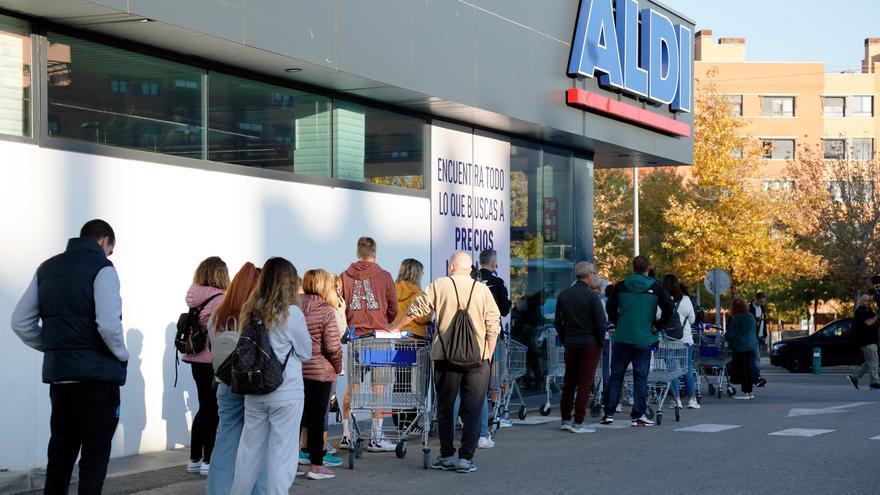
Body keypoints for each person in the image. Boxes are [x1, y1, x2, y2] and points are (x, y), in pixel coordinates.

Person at [11, 219, 128, 494]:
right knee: (93, 460)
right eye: (111, 249)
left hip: (61, 381)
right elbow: (109, 324)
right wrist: (122, 355)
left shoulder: (46, 268)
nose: (110, 254)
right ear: (104, 241)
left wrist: (55, 347)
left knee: (60, 457)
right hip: (97, 380)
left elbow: (20, 322)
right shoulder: (103, 268)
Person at [390, 252, 500, 473]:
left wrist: (394, 328)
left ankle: (447, 455)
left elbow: (416, 309)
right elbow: (493, 323)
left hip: (444, 356)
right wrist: (488, 352)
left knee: (446, 407)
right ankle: (465, 459)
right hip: (477, 359)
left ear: (451, 267)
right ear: (470, 269)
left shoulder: (439, 285)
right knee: (472, 409)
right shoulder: (482, 290)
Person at [231, 257, 312, 495]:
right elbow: (305, 352)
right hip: (285, 392)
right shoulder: (291, 313)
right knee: (282, 455)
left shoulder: (251, 310)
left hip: (254, 391)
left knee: (249, 453)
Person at [205, 262, 264, 495]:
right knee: (255, 444)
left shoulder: (218, 314)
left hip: (224, 382)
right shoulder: (256, 314)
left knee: (225, 439)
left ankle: (217, 491)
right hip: (250, 384)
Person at [338, 236, 398, 452]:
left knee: (352, 389)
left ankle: (346, 434)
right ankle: (376, 436)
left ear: (357, 253)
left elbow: (340, 306)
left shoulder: (344, 277)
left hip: (355, 338)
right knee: (378, 388)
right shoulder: (385, 276)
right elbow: (393, 309)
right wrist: (384, 318)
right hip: (378, 337)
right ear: (375, 253)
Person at [601, 256, 674, 427]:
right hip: (644, 338)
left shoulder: (620, 285)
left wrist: (618, 322)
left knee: (616, 375)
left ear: (633, 268)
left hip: (622, 337)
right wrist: (658, 325)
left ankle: (608, 413)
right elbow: (669, 307)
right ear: (648, 268)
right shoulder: (656, 287)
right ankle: (638, 416)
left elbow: (610, 307)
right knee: (640, 377)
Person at [183, 256, 229, 476]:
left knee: (203, 407)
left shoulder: (194, 295)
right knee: (214, 410)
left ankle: (194, 458)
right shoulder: (220, 298)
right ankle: (208, 460)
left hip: (194, 358)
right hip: (212, 359)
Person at [298, 269, 345, 480]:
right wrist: (337, 366)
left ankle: (293, 462)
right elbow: (333, 347)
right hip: (319, 372)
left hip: (296, 371)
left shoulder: (294, 307)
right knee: (317, 419)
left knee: (297, 419)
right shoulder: (326, 310)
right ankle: (317, 465)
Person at [555, 262, 606, 433]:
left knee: (569, 381)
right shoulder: (593, 297)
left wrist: (565, 339)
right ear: (589, 275)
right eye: (595, 273)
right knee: (585, 383)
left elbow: (558, 322)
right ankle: (579, 420)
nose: (596, 276)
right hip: (590, 344)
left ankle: (565, 418)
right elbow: (600, 323)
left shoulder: (564, 295)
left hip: (571, 343)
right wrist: (600, 343)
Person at [477, 249, 512, 433]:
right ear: (493, 264)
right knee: (495, 377)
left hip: (474, 337)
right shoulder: (497, 283)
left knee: (475, 377)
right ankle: (495, 414)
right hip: (493, 336)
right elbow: (504, 310)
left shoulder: (473, 281)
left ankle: (473, 415)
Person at [662, 274, 699, 410]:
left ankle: (676, 399)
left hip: (667, 341)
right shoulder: (686, 299)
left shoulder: (660, 300)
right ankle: (692, 400)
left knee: (672, 370)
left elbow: (656, 318)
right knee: (687, 368)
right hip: (685, 340)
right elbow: (693, 320)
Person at [725, 298, 758, 400]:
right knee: (749, 369)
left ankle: (744, 392)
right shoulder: (751, 316)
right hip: (752, 345)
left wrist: (726, 337)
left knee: (742, 370)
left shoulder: (737, 318)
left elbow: (731, 333)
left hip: (740, 346)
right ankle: (749, 391)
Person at [847, 294, 880, 390]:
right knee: (874, 361)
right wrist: (877, 314)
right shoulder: (860, 312)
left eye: (869, 300)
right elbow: (869, 322)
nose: (868, 302)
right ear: (860, 301)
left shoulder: (868, 310)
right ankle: (875, 382)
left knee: (869, 362)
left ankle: (854, 377)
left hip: (871, 340)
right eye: (866, 300)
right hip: (867, 341)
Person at [748, 292, 769, 388]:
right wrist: (757, 319)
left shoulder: (762, 307)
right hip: (753, 335)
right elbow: (748, 320)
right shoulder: (749, 307)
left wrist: (764, 333)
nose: (761, 303)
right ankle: (757, 377)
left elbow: (764, 321)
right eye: (760, 301)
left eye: (763, 302)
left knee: (756, 358)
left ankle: (754, 376)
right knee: (757, 357)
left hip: (761, 335)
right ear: (756, 299)